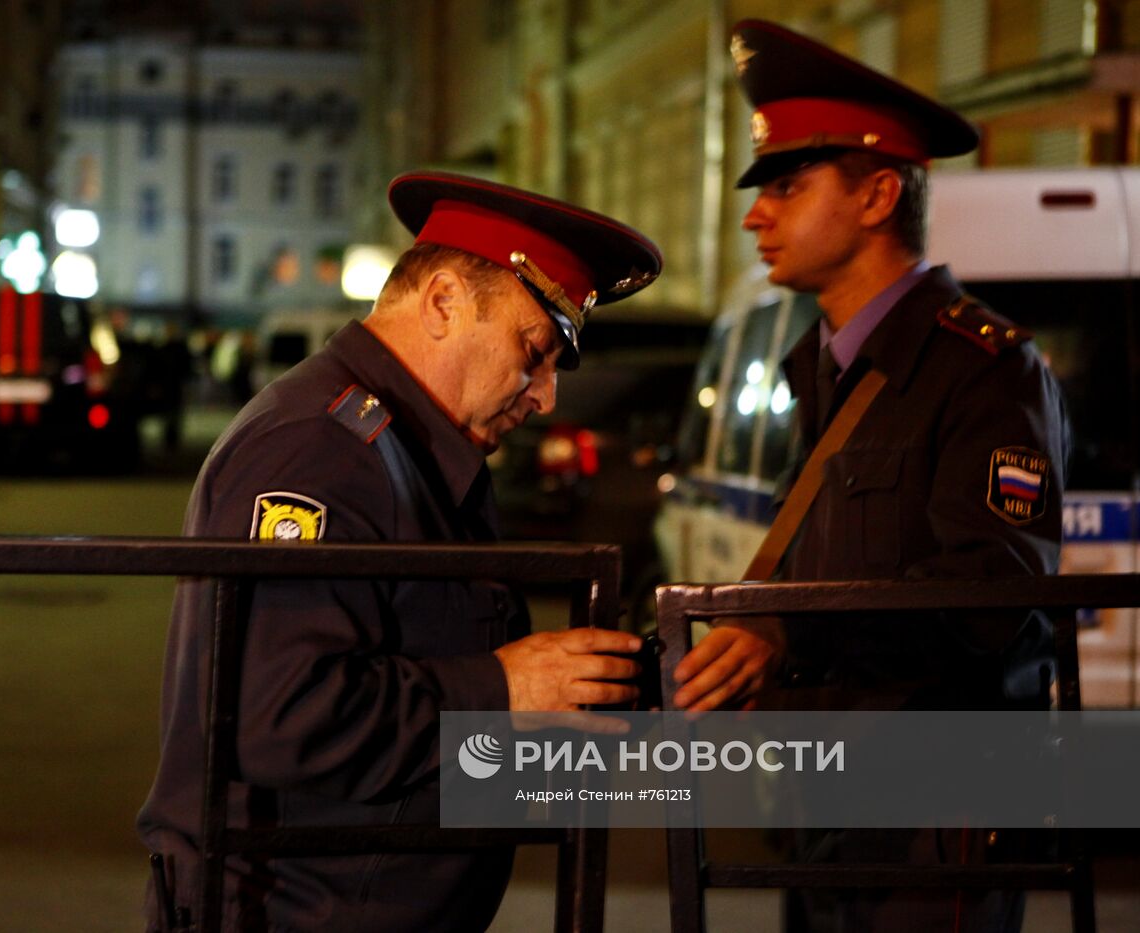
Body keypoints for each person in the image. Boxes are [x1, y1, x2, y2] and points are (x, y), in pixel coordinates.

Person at [137, 170, 662, 931]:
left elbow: (452, 667)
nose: (545, 395)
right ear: (444, 302)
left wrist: (648, 689)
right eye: (534, 350)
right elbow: (280, 715)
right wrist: (500, 691)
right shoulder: (319, 449)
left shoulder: (416, 447)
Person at [668, 19, 1071, 932]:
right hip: (829, 790)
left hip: (936, 802)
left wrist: (789, 640)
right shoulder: (825, 363)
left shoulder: (985, 367)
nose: (754, 215)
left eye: (788, 186)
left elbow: (990, 589)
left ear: (878, 193)